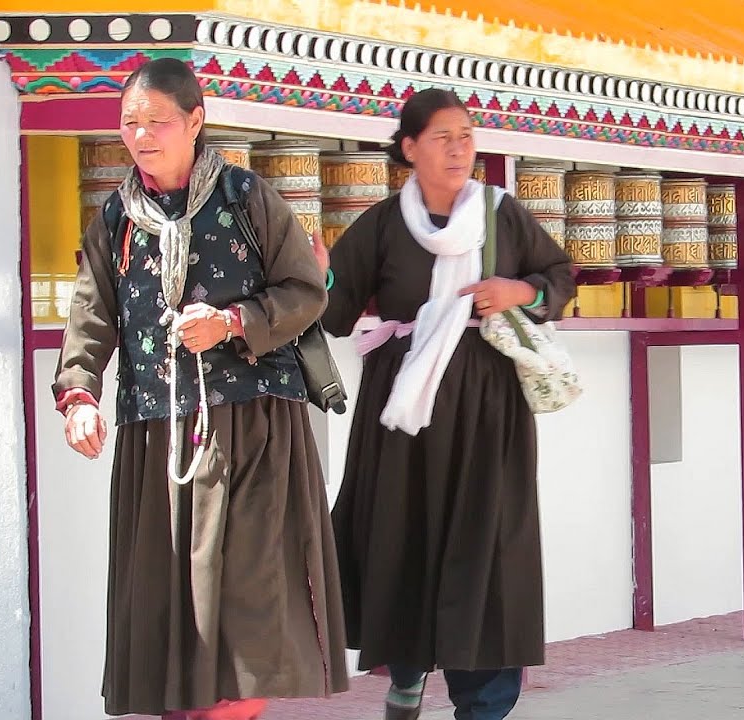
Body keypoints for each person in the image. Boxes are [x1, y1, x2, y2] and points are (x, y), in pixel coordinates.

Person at [53, 57, 349, 720]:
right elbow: (92, 313)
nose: (141, 135)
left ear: (195, 121)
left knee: (241, 622)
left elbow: (304, 293)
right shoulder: (116, 218)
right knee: (167, 626)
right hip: (155, 434)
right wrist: (78, 396)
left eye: (158, 120)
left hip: (249, 434)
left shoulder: (247, 199)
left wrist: (234, 321)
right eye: (130, 122)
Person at [317, 88, 576, 720]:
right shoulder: (380, 224)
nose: (459, 148)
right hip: (405, 409)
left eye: (466, 135)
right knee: (402, 535)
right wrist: (316, 275)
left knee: (487, 543)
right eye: (442, 136)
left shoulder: (502, 215)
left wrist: (520, 288)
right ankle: (405, 672)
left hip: (489, 411)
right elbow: (338, 311)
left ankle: (483, 702)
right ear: (409, 148)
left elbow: (560, 277)